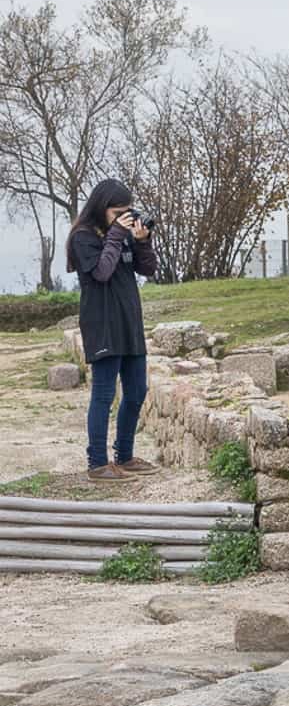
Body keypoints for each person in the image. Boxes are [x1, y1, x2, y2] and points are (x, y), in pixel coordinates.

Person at [66, 179, 162, 483]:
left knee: (136, 391)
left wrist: (142, 240)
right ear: (102, 207)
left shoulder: (120, 233)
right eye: (118, 212)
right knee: (104, 394)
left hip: (129, 322)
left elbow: (147, 270)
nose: (123, 216)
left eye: (127, 211)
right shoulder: (83, 237)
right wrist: (118, 234)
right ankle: (97, 463)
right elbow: (102, 272)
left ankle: (125, 456)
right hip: (102, 323)